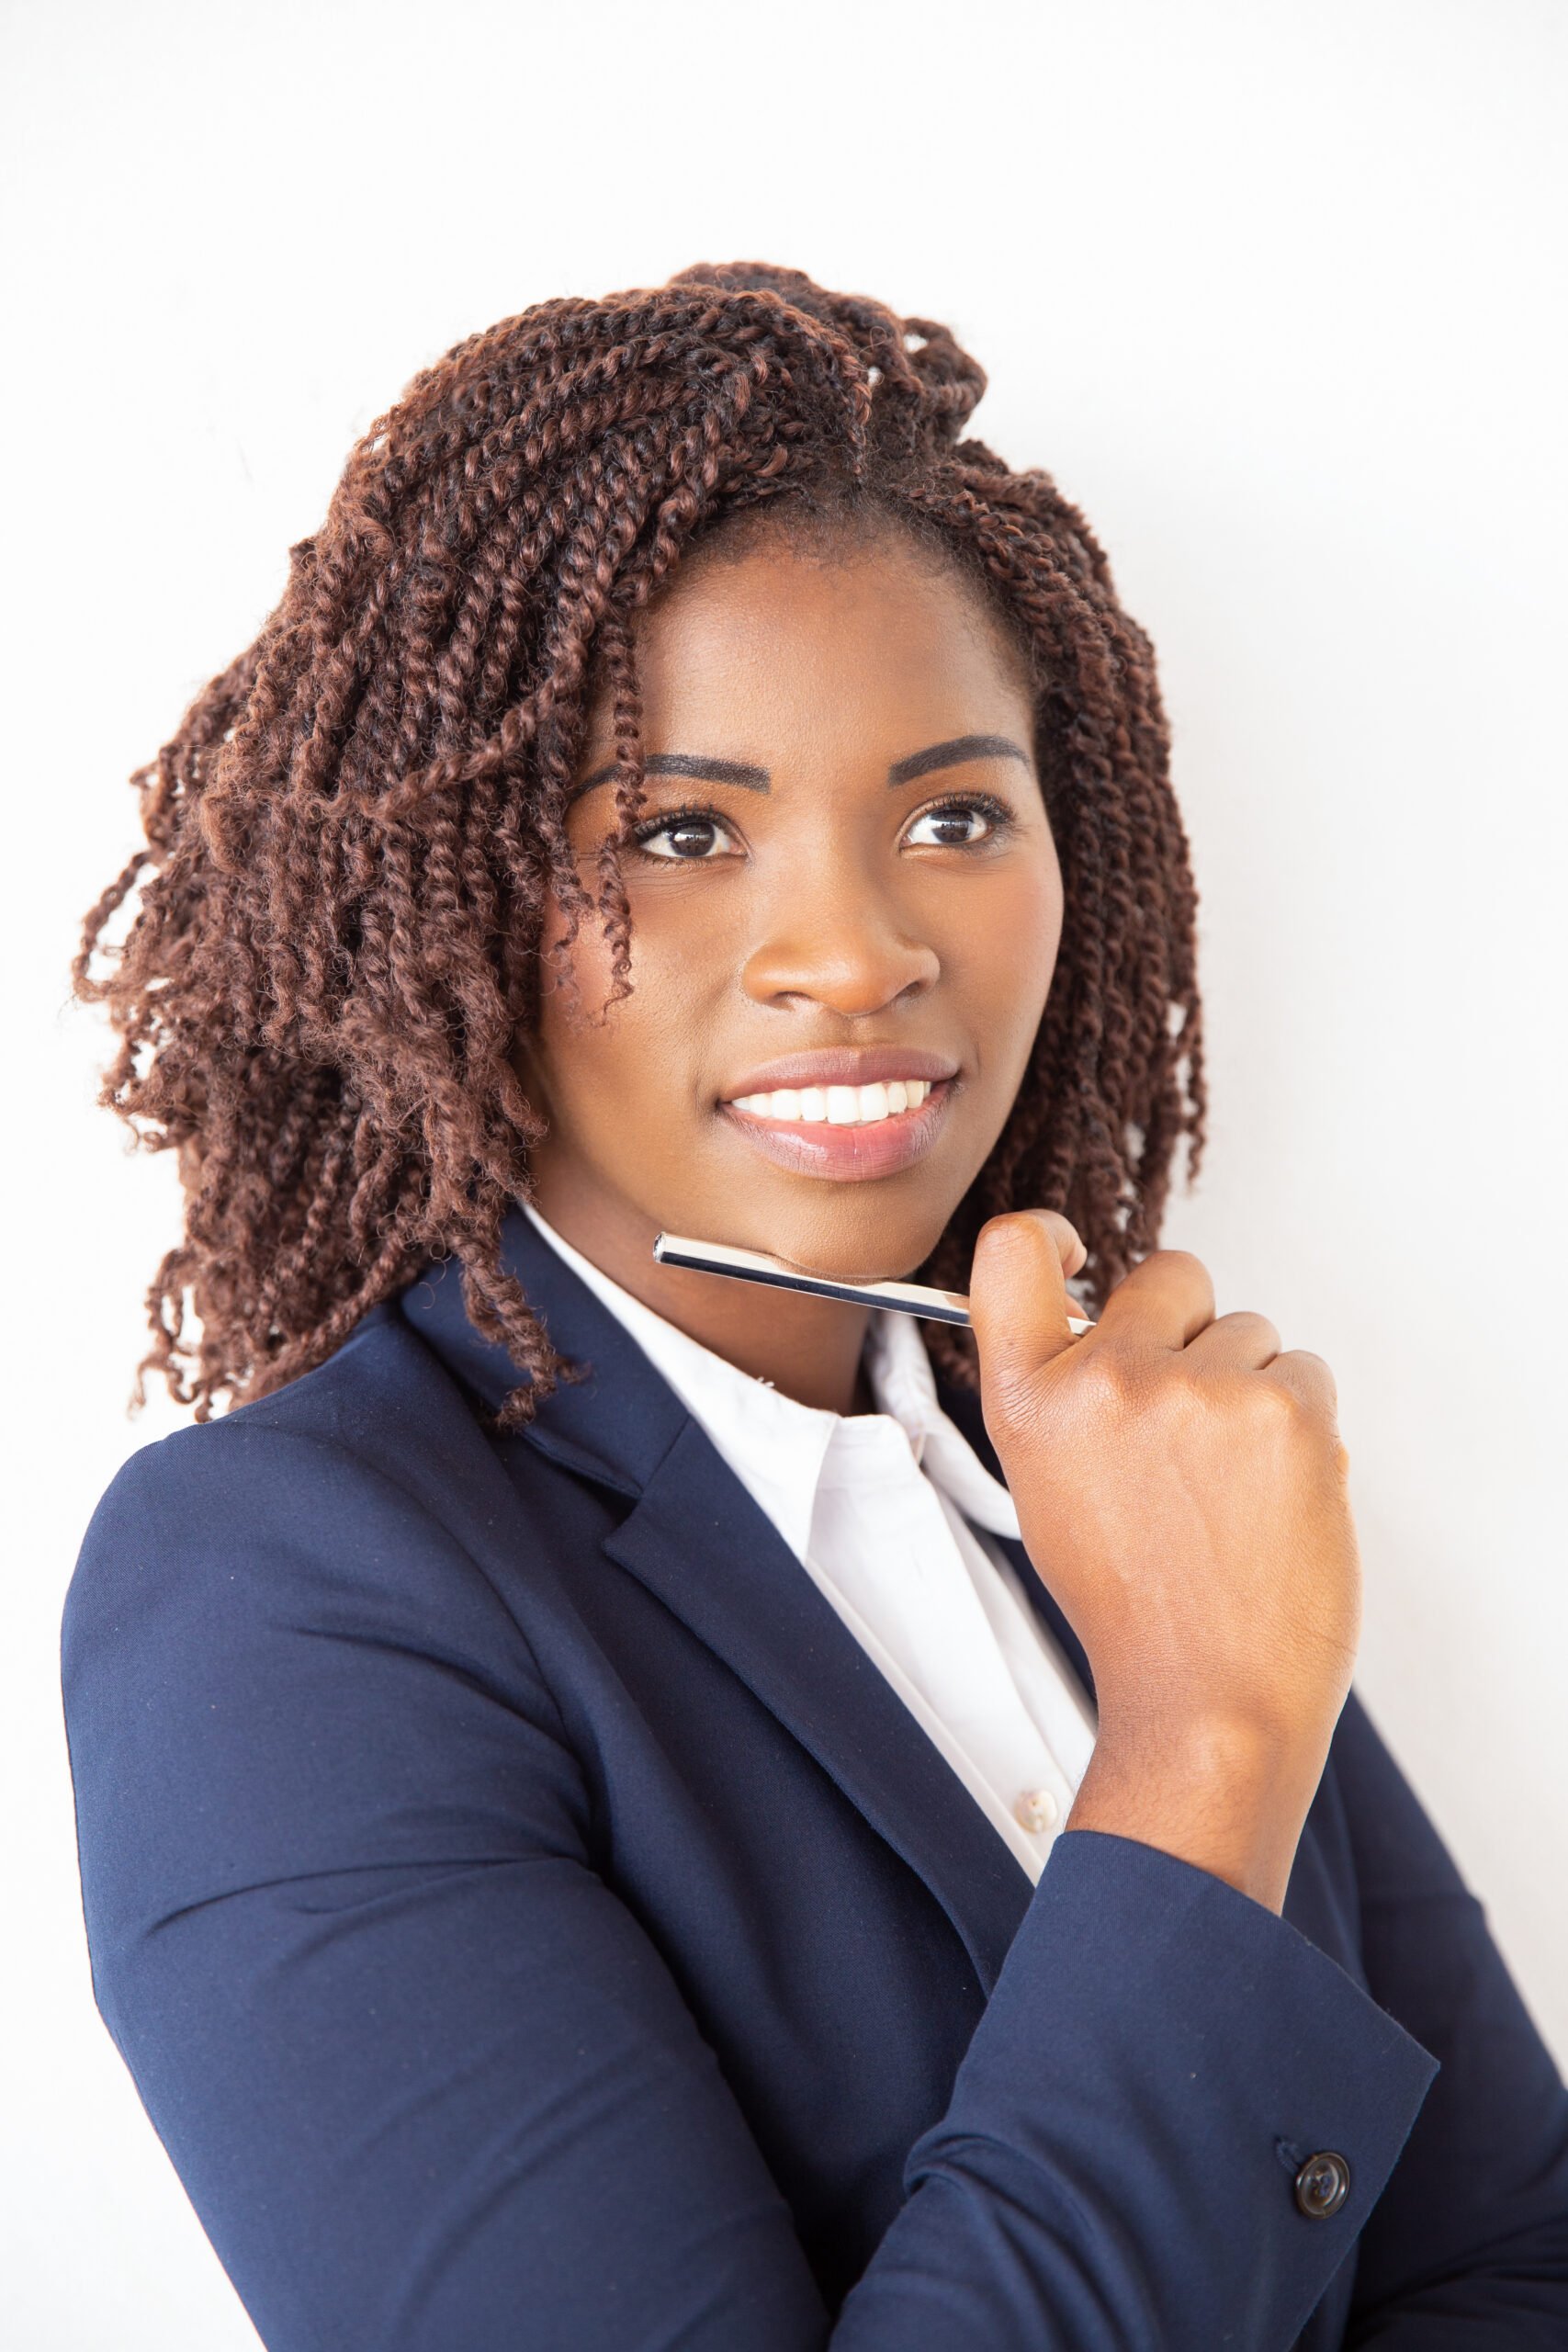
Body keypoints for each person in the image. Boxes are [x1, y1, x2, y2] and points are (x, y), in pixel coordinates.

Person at [64, 264, 1567, 2351]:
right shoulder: (285, 1591)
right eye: (680, 829)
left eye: (951, 813)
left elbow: (1510, 2255)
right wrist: (1202, 1738)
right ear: (450, 884)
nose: (851, 951)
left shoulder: (1108, 1465)